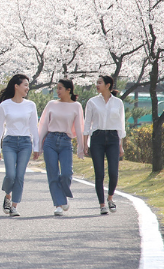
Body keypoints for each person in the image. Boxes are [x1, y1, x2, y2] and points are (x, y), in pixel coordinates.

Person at [36, 79, 85, 216]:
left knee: (66, 173)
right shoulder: (51, 104)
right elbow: (43, 124)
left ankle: (63, 195)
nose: (57, 91)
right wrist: (38, 145)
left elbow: (80, 127)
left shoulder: (76, 106)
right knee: (52, 174)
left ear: (69, 90)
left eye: (60, 88)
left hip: (65, 142)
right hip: (50, 141)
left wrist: (81, 147)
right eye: (56, 88)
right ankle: (59, 204)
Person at [0, 74, 39, 217]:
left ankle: (14, 206)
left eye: (28, 85)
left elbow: (34, 127)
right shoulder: (5, 105)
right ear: (16, 86)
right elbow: (0, 127)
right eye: (25, 85)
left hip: (25, 143)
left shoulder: (30, 105)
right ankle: (8, 196)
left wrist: (36, 147)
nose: (27, 88)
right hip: (9, 142)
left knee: (20, 176)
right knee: (10, 175)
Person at [84, 75, 126, 215]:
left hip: (114, 138)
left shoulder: (118, 103)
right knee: (99, 174)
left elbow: (121, 125)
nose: (97, 85)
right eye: (97, 82)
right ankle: (102, 204)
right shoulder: (92, 102)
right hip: (97, 138)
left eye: (100, 82)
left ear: (108, 85)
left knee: (113, 173)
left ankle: (110, 198)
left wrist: (121, 145)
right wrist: (85, 143)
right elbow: (87, 124)